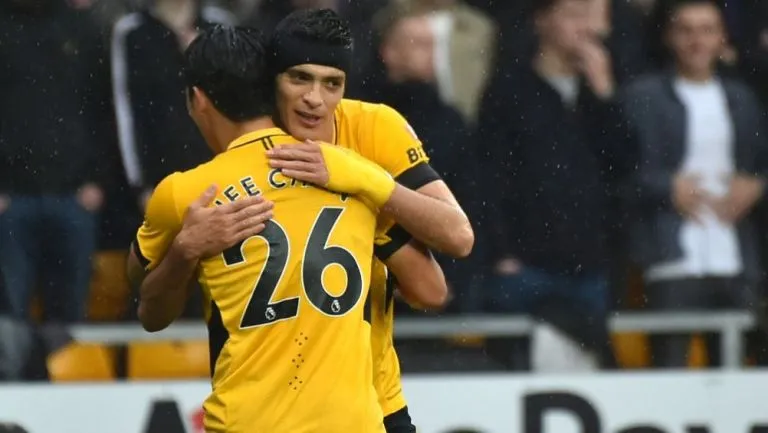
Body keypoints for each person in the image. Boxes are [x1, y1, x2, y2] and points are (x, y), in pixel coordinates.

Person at [127, 25, 406, 432]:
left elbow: (147, 305)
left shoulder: (187, 193)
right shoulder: (352, 174)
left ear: (197, 99)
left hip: (251, 422)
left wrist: (185, 251)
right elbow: (432, 284)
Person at [262, 8, 474, 432]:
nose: (314, 99)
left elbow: (458, 236)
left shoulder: (375, 126)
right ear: (272, 79)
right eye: (299, 77)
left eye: (332, 83)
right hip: (270, 406)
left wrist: (366, 182)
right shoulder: (247, 143)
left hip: (374, 401)